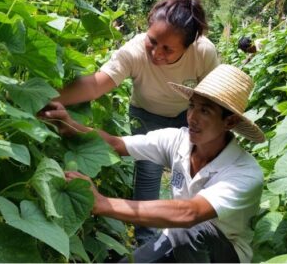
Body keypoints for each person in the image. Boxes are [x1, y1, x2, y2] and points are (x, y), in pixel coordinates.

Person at [39, 64, 265, 262]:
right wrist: (67, 123)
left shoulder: (244, 172)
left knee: (190, 231)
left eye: (205, 110)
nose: (192, 117)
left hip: (222, 254)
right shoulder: (178, 140)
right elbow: (115, 144)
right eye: (192, 106)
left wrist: (103, 203)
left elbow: (190, 213)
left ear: (230, 121)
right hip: (177, 237)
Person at [48, 0, 219, 244]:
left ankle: (198, 234)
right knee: (149, 171)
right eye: (153, 41)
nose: (156, 53)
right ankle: (146, 241)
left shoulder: (204, 52)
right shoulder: (135, 50)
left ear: (188, 46)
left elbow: (213, 98)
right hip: (146, 114)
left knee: (197, 169)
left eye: (168, 49)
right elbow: (96, 85)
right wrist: (46, 98)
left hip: (188, 114)